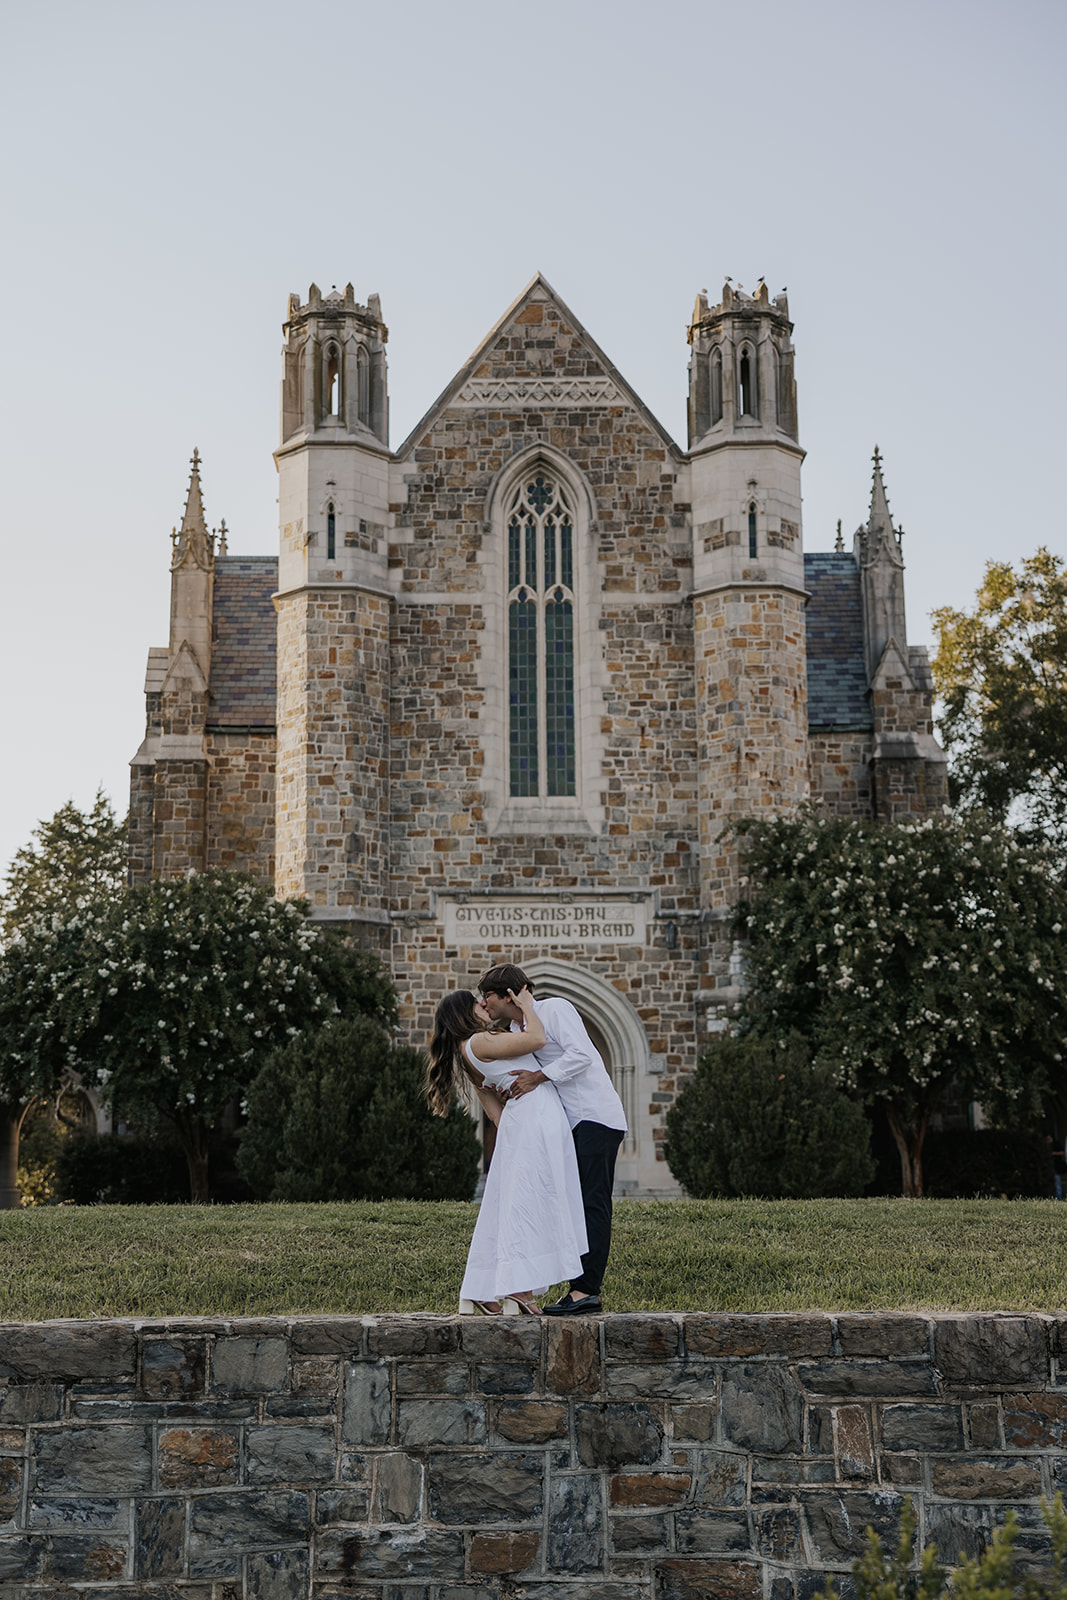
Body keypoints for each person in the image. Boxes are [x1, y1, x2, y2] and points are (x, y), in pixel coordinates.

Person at [426, 985, 587, 1315]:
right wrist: (527, 1005)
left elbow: (495, 1112)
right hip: (536, 1114)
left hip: (520, 1122)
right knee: (529, 1205)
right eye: (476, 1003)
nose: (483, 1004)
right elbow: (538, 1040)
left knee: (504, 1206)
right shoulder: (481, 1041)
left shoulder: (465, 1053)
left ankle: (478, 1292)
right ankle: (519, 1292)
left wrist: (518, 1130)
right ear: (464, 1012)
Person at [478, 963, 627, 1316]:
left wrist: (538, 1077)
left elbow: (581, 1055)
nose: (483, 1004)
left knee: (593, 1202)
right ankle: (575, 1286)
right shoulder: (519, 1027)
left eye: (487, 997)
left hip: (595, 1117)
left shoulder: (555, 1009)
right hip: (570, 1125)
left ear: (508, 995)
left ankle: (586, 1291)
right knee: (571, 1203)